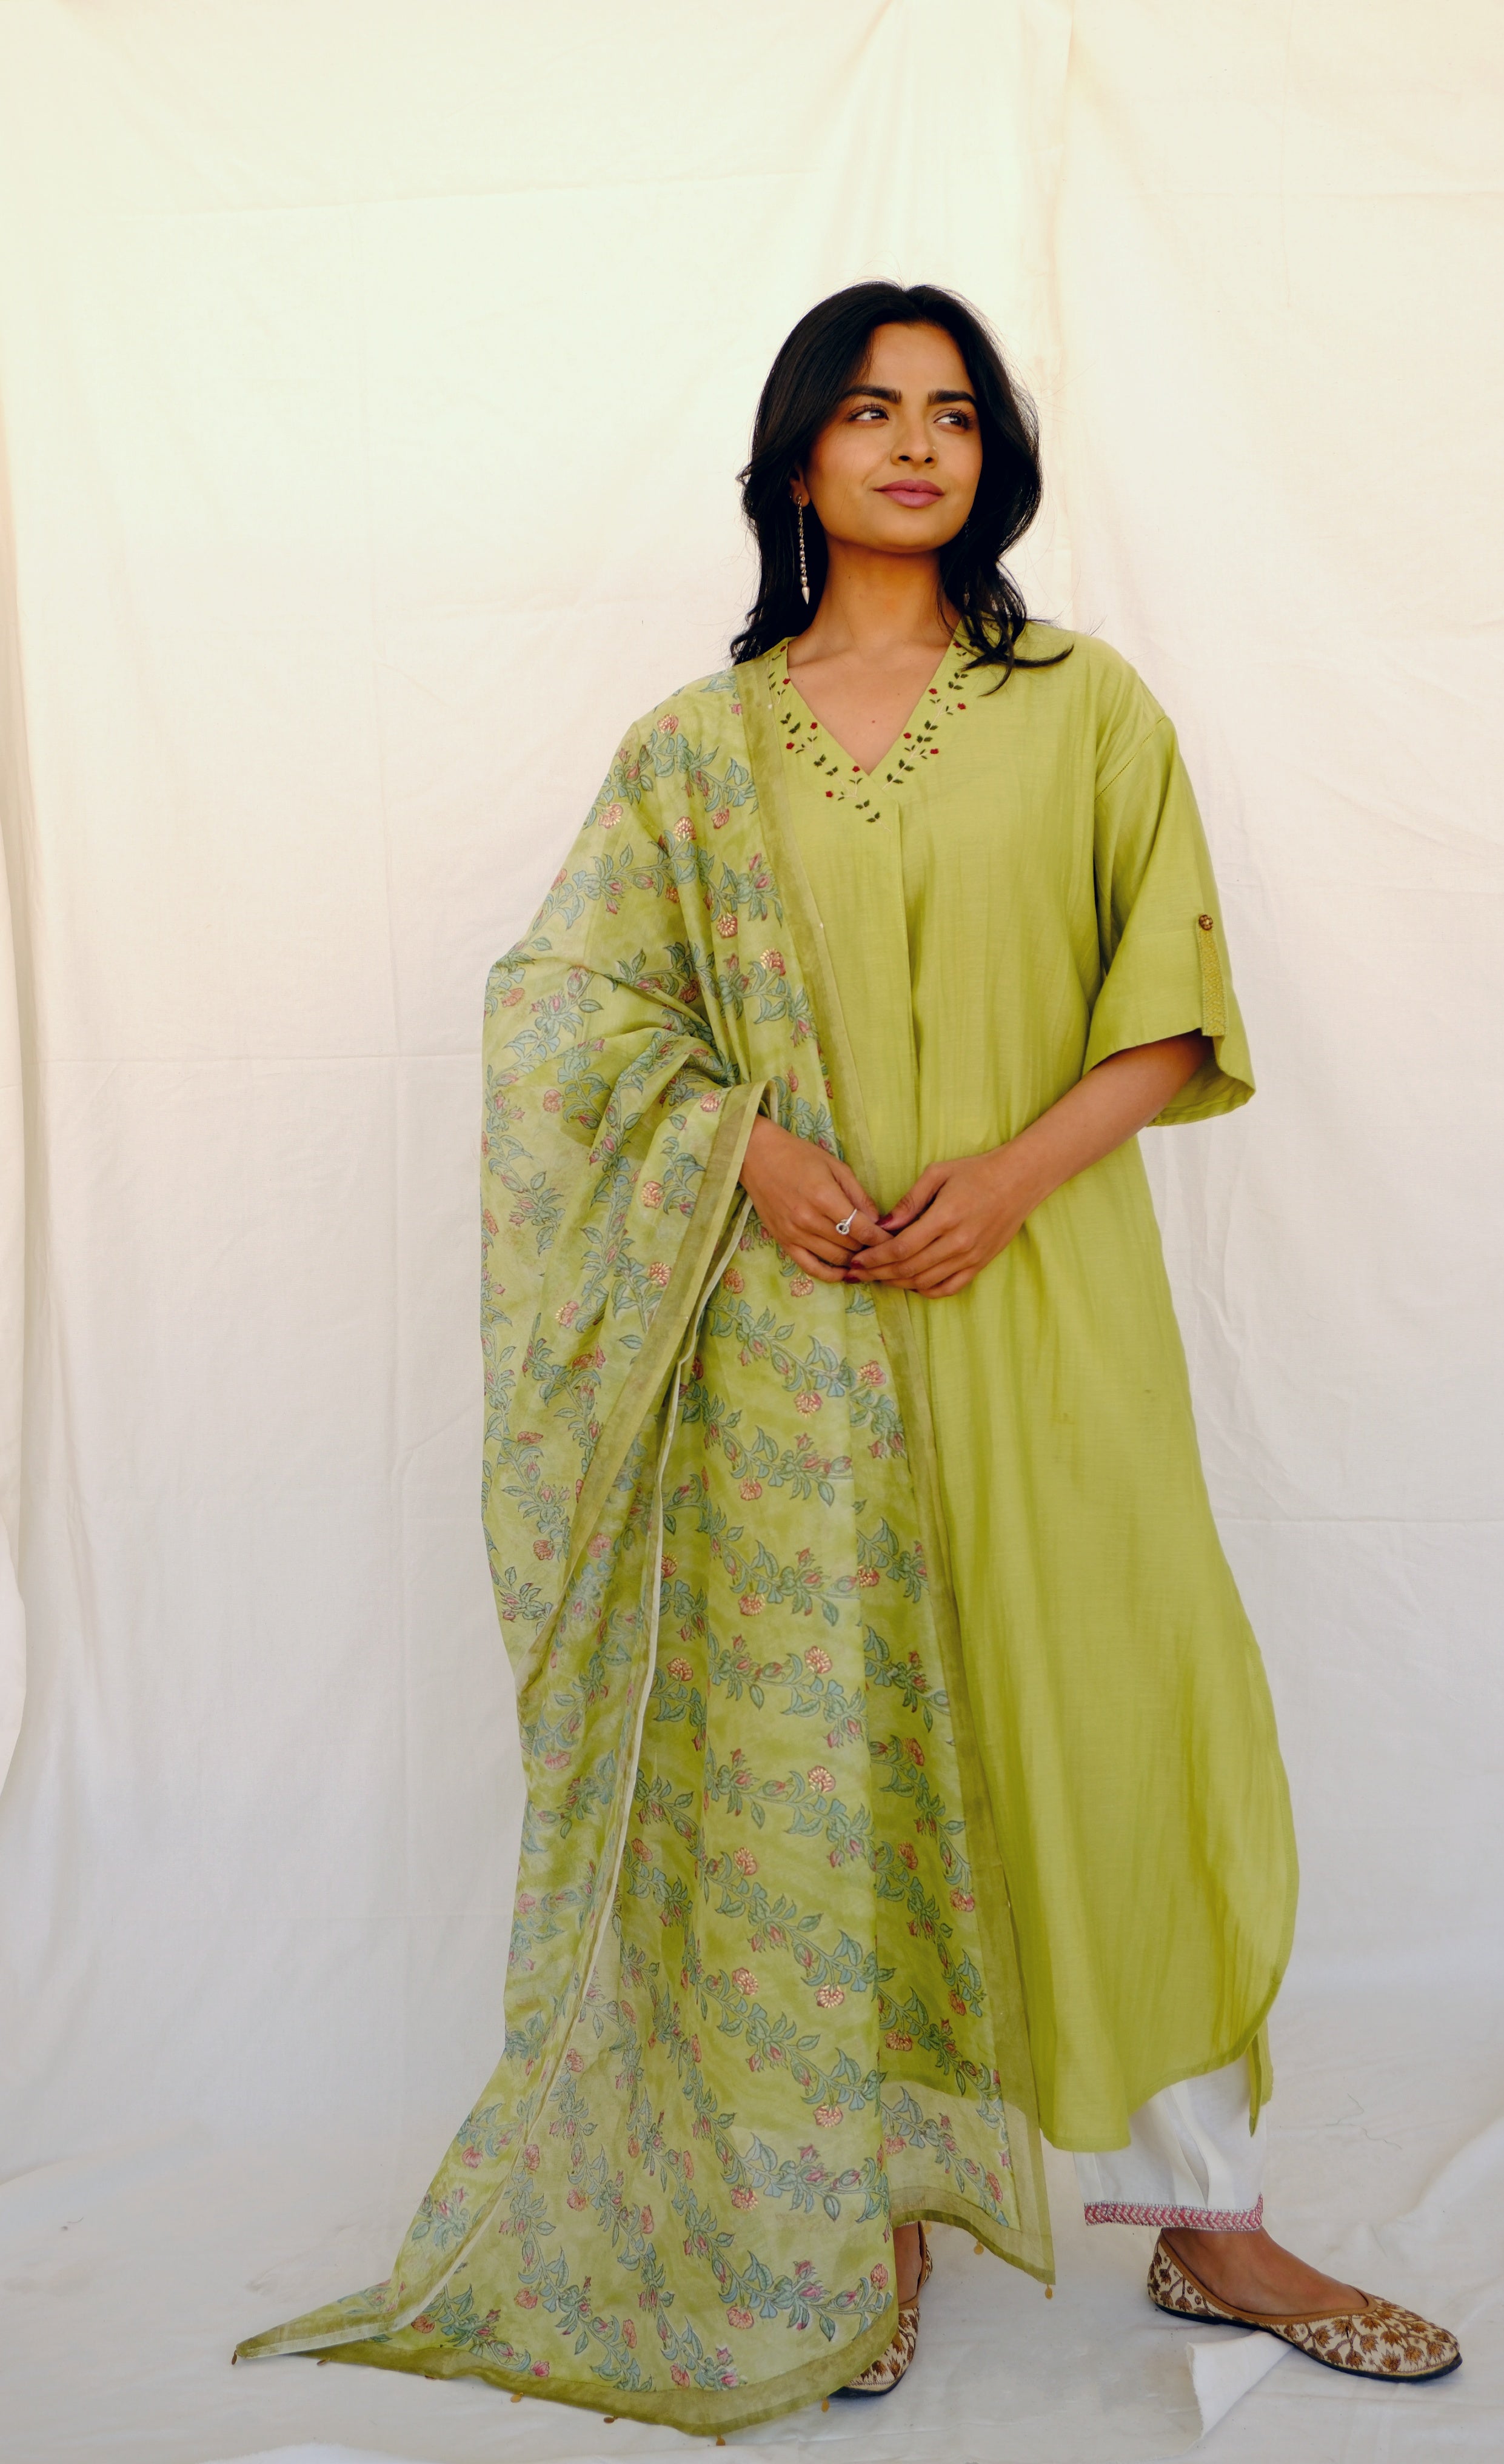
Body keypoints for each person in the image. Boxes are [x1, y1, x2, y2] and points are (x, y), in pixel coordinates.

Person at [236, 283, 1459, 2428]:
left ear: (993, 459)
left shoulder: (1084, 708)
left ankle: (1207, 2217)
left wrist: (1009, 1180)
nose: (914, 444)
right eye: (871, 409)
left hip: (1044, 1312)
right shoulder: (696, 753)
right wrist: (746, 1147)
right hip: (788, 1354)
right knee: (841, 1763)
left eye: (953, 413)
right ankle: (869, 2215)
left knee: (1120, 1732)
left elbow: (1169, 1005)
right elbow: (566, 1011)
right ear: (797, 453)